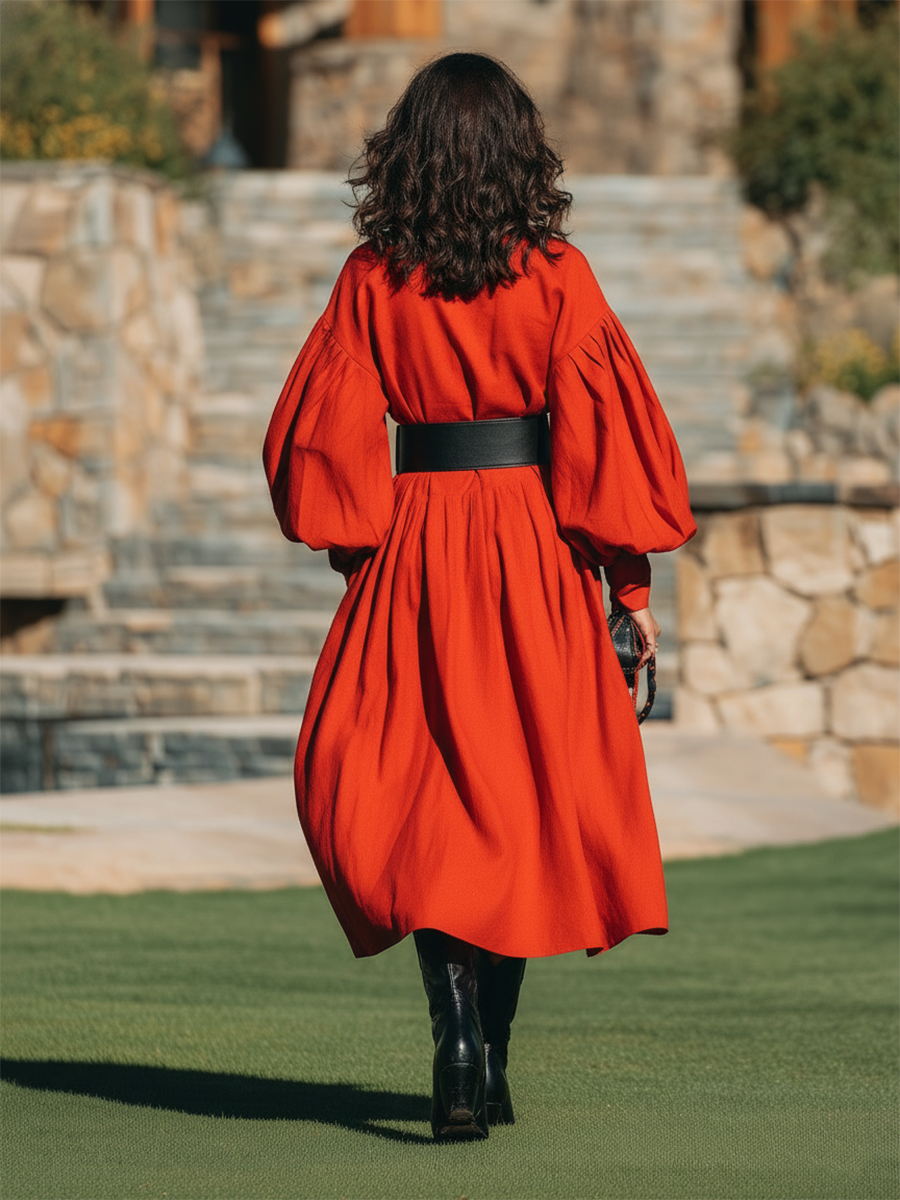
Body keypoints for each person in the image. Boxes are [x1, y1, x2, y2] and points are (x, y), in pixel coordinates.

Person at [263, 52, 696, 1141]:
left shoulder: (373, 279)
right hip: (534, 553)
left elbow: (324, 439)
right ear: (519, 149)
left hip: (416, 549)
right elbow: (605, 447)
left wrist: (364, 553)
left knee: (421, 804)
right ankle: (487, 1050)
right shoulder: (559, 275)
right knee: (515, 805)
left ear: (406, 153)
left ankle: (459, 1034)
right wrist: (629, 591)